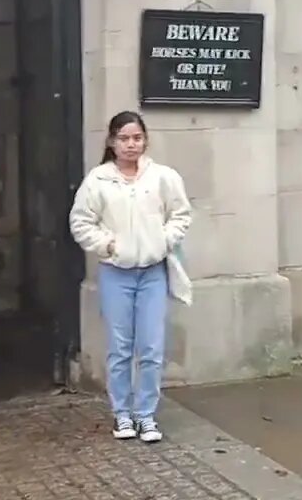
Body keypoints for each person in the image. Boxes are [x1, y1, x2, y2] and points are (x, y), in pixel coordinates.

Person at [68, 110, 193, 444]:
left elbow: (181, 215)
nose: (131, 144)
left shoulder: (162, 177)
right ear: (112, 142)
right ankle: (122, 413)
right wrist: (106, 245)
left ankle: (146, 415)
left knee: (151, 347)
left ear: (145, 140)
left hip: (153, 272)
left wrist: (163, 239)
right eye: (124, 138)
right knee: (121, 349)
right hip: (116, 274)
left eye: (137, 138)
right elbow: (81, 222)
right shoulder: (98, 180)